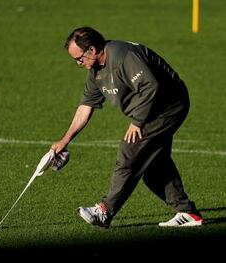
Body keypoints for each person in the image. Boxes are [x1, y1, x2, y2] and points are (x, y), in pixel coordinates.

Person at [51, 26, 203, 228]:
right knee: (152, 166)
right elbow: (85, 107)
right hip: (151, 109)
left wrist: (137, 122)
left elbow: (151, 86)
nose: (78, 63)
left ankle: (104, 211)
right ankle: (188, 213)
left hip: (169, 105)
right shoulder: (95, 70)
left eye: (79, 58)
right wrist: (65, 140)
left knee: (130, 150)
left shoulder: (124, 55)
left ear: (93, 50)